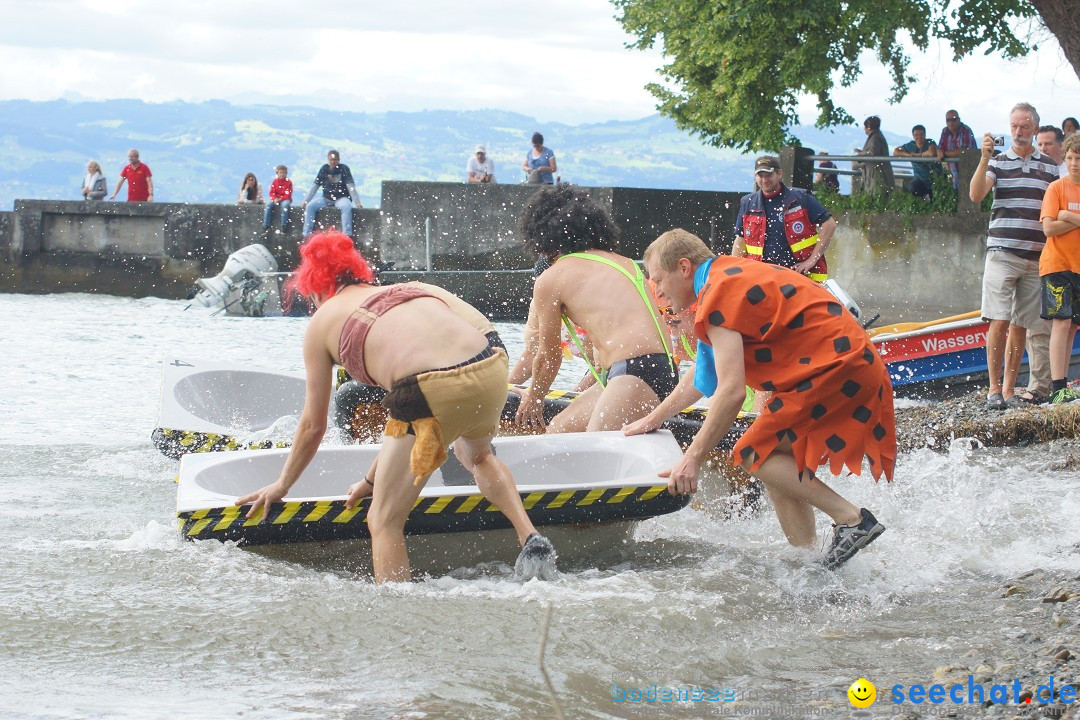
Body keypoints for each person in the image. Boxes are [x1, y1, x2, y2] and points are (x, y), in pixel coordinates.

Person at [236, 230, 556, 584]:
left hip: (429, 389)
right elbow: (402, 424)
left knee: (384, 520)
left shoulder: (320, 324)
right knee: (478, 456)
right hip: (491, 369)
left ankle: (398, 611)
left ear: (313, 286)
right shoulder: (398, 292)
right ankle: (529, 537)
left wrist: (281, 485)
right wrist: (371, 480)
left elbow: (313, 425)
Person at [629, 229, 894, 569]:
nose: (659, 291)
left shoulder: (717, 293)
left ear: (683, 267)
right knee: (775, 464)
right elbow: (702, 378)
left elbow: (732, 392)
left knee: (754, 454)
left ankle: (853, 520)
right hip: (846, 365)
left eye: (658, 280)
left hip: (837, 367)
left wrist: (692, 458)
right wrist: (654, 419)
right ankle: (812, 565)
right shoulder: (721, 280)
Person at [514, 185, 678, 433]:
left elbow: (549, 358)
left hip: (633, 372)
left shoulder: (550, 278)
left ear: (541, 237)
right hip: (659, 368)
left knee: (593, 454)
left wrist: (534, 398)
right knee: (558, 431)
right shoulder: (625, 263)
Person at [969, 102, 1058, 409]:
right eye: (1014, 127)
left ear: (1035, 128)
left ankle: (1008, 390)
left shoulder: (1049, 166)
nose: (1018, 132)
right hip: (1002, 251)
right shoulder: (997, 162)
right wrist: (983, 159)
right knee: (998, 319)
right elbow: (977, 195)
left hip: (1036, 255)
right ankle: (993, 389)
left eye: (1024, 127)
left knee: (1020, 324)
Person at [731, 156, 837, 282]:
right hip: (760, 278)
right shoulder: (748, 202)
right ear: (755, 177)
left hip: (799, 276)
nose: (764, 180)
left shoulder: (801, 198)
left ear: (779, 174)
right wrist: (735, 271)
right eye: (760, 176)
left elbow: (830, 225)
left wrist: (812, 260)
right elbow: (741, 239)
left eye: (768, 175)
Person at [1038, 132, 1080, 404]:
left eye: (1079, 158)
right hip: (1056, 263)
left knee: (1073, 325)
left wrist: (1068, 214)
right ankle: (1057, 387)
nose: (1075, 163)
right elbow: (1048, 227)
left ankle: (1064, 385)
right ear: (1065, 159)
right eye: (1071, 158)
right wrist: (1067, 217)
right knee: (1061, 321)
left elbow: (1059, 219)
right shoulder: (1056, 188)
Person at [302, 150, 361, 237]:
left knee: (346, 207)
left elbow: (350, 187)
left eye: (335, 160)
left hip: (341, 198)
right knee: (310, 206)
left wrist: (357, 203)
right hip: (326, 198)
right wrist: (306, 201)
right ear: (328, 160)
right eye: (331, 160)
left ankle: (347, 235)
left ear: (338, 160)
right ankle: (306, 234)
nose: (333, 162)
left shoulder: (344, 169)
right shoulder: (324, 169)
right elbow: (315, 186)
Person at [893, 125, 939, 199]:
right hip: (919, 179)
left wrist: (918, 155)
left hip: (934, 178)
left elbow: (932, 152)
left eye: (921, 134)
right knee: (912, 188)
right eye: (916, 135)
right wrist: (908, 155)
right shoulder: (910, 145)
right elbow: (896, 152)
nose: (919, 137)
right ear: (913, 136)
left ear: (925, 135)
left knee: (934, 199)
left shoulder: (930, 142)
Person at [853, 116, 894, 194]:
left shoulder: (875, 138)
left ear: (868, 127)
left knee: (877, 194)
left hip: (876, 173)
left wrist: (861, 153)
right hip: (877, 172)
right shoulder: (876, 136)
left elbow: (873, 153)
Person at [937, 110, 978, 188]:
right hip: (953, 175)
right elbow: (940, 149)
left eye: (954, 119)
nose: (951, 122)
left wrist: (945, 153)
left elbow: (965, 151)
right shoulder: (945, 131)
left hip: (969, 172)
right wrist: (941, 152)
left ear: (959, 119)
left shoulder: (966, 130)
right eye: (948, 120)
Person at [264, 165, 293, 231]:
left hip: (285, 199)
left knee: (285, 206)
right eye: (280, 172)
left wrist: (281, 199)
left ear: (286, 173)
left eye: (284, 172)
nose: (282, 174)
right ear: (277, 173)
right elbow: (271, 192)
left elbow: (288, 194)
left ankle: (284, 225)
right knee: (268, 205)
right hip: (276, 199)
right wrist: (274, 198)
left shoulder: (289, 182)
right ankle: (266, 224)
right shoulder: (275, 182)